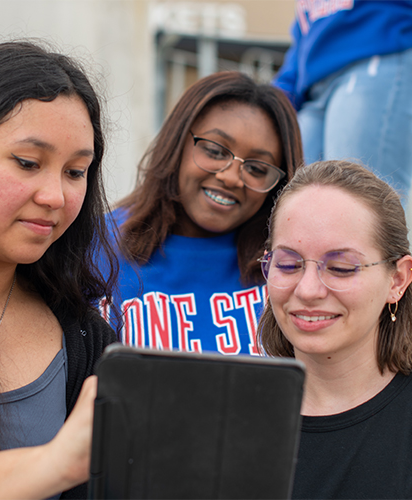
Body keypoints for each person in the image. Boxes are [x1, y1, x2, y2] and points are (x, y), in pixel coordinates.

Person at [0, 41, 119, 499]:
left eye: (76, 172)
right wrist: (52, 465)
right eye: (28, 163)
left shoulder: (87, 341)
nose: (55, 196)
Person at [258, 160, 412, 499]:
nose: (308, 290)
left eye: (340, 268)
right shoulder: (226, 415)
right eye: (288, 264)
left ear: (398, 279)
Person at [99, 71, 303, 356]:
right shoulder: (94, 247)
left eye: (257, 169)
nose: (231, 178)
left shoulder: (291, 268)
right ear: (178, 143)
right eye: (216, 151)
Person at [273, 0, 412, 201]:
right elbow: (305, 37)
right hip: (314, 87)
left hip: (379, 57)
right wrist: (277, 98)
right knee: (294, 200)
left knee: (358, 206)